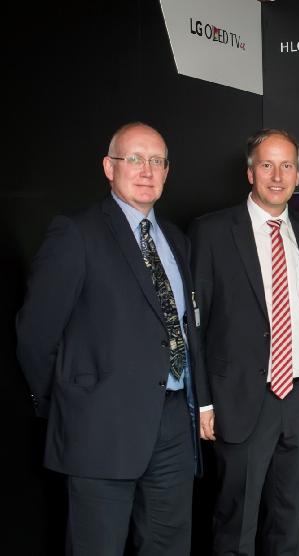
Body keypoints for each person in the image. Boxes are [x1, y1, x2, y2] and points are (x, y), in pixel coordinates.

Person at [16, 122, 201, 555]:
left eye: (156, 161)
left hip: (173, 425)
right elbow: (35, 334)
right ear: (108, 167)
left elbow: (184, 328)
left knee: (169, 546)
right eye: (134, 159)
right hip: (99, 427)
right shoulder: (76, 233)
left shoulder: (176, 240)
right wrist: (69, 403)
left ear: (167, 171)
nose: (146, 170)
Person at [190, 129, 299, 555]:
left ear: (298, 176)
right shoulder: (212, 231)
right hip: (241, 398)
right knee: (236, 523)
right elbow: (194, 326)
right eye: (267, 165)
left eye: (287, 166)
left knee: (289, 520)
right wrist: (203, 402)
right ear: (250, 172)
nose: (277, 176)